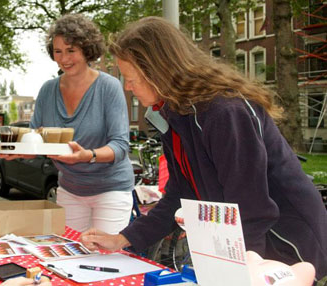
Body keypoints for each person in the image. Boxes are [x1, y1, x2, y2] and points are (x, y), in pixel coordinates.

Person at [80, 16, 327, 281]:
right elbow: (178, 195)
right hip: (249, 245)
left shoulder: (225, 113)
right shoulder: (175, 116)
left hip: (285, 243)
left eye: (132, 79)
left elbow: (251, 207)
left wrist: (243, 273)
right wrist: (123, 238)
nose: (128, 88)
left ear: (158, 71)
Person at [31, 13, 134, 233]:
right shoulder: (47, 90)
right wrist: (16, 150)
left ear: (87, 51)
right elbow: (36, 137)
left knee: (105, 256)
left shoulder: (109, 87)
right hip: (70, 189)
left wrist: (88, 155)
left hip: (111, 189)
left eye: (71, 51)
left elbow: (120, 146)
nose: (64, 59)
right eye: (58, 51)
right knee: (69, 253)